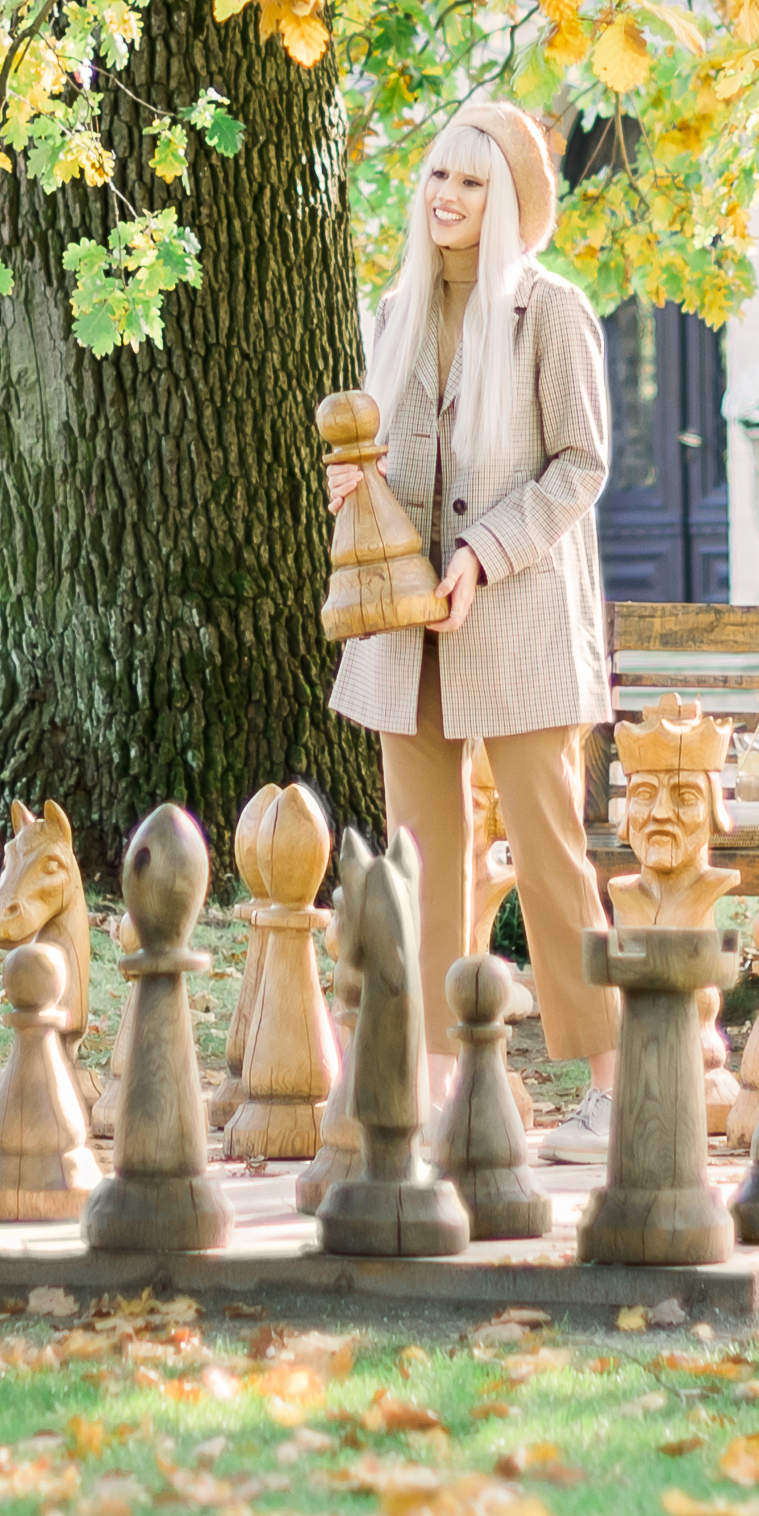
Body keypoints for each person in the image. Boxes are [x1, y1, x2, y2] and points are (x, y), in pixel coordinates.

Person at [321, 95, 620, 1156]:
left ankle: (616, 1085)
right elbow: (391, 465)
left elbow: (580, 466)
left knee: (548, 853)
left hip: (519, 618)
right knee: (421, 857)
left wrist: (484, 553)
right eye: (437, 175)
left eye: (470, 180)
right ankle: (439, 1083)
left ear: (509, 202)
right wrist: (354, 488)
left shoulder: (552, 313)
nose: (444, 195)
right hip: (405, 628)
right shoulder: (393, 313)